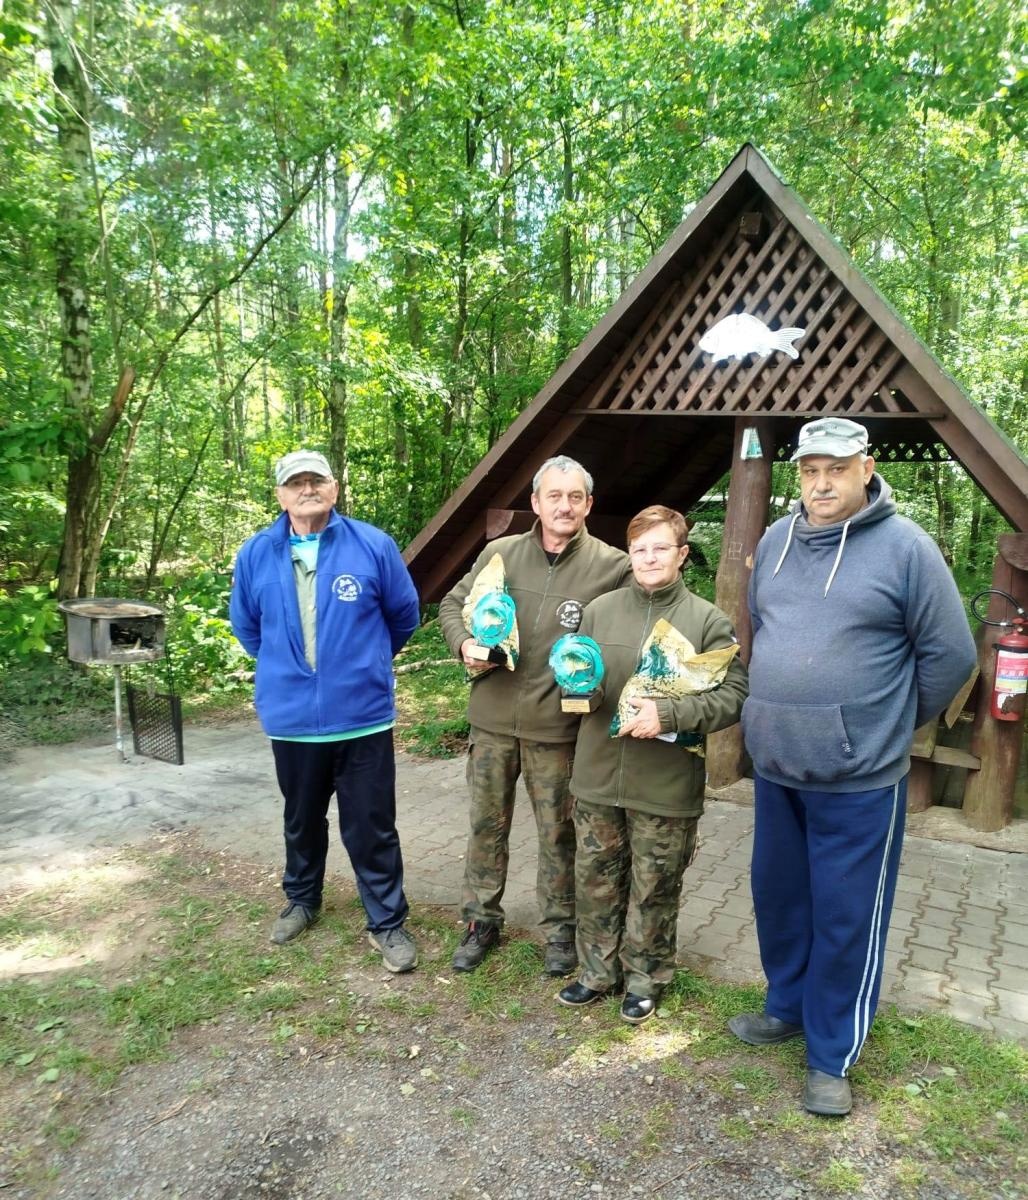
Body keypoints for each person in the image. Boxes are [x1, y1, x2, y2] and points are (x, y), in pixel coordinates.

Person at [733, 417, 977, 1115]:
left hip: (860, 779)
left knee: (847, 917)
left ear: (865, 469)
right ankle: (785, 1005)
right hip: (778, 766)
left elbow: (951, 656)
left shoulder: (906, 550)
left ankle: (831, 1055)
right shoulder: (776, 542)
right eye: (810, 469)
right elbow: (763, 631)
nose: (820, 483)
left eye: (835, 469)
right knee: (780, 899)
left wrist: (881, 726)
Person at [229, 449, 421, 973]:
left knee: (372, 824)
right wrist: (290, 670)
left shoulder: (372, 545)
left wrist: (364, 663)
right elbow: (248, 627)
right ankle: (302, 901)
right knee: (300, 819)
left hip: (363, 716)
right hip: (292, 719)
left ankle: (387, 922)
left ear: (334, 489)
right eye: (296, 483)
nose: (307, 489)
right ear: (281, 495)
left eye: (317, 481)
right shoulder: (256, 554)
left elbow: (404, 616)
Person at [439, 456, 632, 976]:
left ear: (589, 504)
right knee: (485, 827)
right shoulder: (499, 554)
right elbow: (451, 606)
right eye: (554, 496)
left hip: (560, 731)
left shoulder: (613, 567)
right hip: (492, 723)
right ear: (536, 503)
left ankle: (560, 932)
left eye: (575, 497)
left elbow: (637, 623)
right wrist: (464, 647)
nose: (564, 506)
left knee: (558, 835)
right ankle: (481, 921)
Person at [556, 506, 748, 1023]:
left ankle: (645, 978)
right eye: (639, 549)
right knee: (594, 878)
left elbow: (734, 695)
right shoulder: (599, 611)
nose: (649, 558)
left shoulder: (708, 620)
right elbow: (580, 676)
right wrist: (581, 689)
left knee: (654, 886)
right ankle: (596, 972)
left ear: (682, 555)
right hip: (597, 775)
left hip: (665, 784)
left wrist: (669, 712)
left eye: (660, 548)